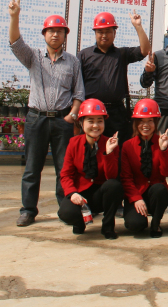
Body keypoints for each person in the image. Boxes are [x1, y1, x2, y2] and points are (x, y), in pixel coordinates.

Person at [8, 0, 84, 227]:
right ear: (44, 34)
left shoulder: (73, 62)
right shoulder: (33, 57)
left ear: (65, 35)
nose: (55, 34)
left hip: (62, 120)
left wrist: (72, 114)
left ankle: (65, 209)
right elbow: (15, 43)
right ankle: (28, 210)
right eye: (51, 30)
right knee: (32, 168)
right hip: (36, 119)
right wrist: (14, 16)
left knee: (64, 168)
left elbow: (79, 93)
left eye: (60, 31)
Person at [78, 11, 150, 145]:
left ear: (114, 33)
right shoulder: (84, 55)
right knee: (91, 150)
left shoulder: (122, 54)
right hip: (92, 112)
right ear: (95, 33)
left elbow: (145, 50)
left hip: (116, 113)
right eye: (100, 32)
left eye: (108, 31)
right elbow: (77, 85)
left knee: (118, 150)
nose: (104, 35)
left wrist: (138, 26)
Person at [58, 99, 123, 239]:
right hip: (80, 193)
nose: (95, 125)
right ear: (81, 123)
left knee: (114, 185)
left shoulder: (110, 143)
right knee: (66, 213)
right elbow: (66, 174)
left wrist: (109, 153)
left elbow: (111, 176)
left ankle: (108, 227)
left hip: (100, 195)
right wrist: (72, 193)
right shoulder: (74, 143)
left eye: (100, 121)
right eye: (90, 121)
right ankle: (79, 222)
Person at [121, 99, 168, 238]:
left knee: (159, 189)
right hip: (137, 192)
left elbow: (167, 172)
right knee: (135, 225)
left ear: (156, 122)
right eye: (141, 121)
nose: (146, 125)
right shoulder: (127, 146)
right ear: (135, 123)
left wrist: (163, 150)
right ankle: (140, 218)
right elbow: (126, 178)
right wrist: (136, 198)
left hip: (156, 194)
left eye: (150, 121)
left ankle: (156, 224)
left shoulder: (163, 141)